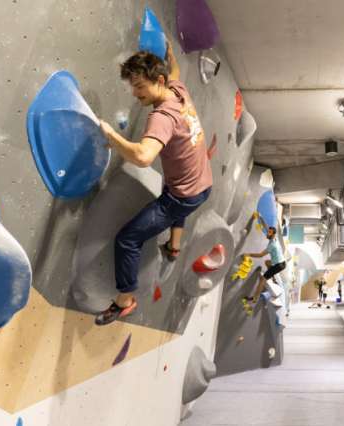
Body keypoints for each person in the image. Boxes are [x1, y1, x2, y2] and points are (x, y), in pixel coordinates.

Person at [95, 40, 212, 326]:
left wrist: (114, 137)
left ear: (158, 81)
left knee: (127, 239)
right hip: (203, 181)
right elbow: (175, 69)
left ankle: (125, 301)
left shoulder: (161, 117)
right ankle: (173, 246)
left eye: (139, 87)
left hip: (183, 196)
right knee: (169, 187)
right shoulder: (177, 90)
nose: (135, 94)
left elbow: (144, 157)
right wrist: (169, 53)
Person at [243, 213, 286, 303]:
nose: (267, 232)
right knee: (267, 262)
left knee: (263, 279)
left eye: (269, 232)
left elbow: (260, 255)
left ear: (273, 235)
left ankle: (255, 297)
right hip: (281, 262)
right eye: (268, 231)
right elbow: (266, 227)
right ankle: (274, 278)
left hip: (278, 265)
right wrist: (261, 217)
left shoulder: (272, 245)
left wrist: (248, 254)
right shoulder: (274, 237)